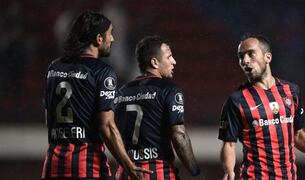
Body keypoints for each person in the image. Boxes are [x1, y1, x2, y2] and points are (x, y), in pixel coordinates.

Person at [41, 11, 151, 180]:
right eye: (110, 34)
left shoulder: (54, 68)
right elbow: (106, 126)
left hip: (53, 166)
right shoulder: (102, 72)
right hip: (87, 167)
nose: (113, 39)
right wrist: (129, 166)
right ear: (99, 39)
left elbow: (50, 118)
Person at [218, 33, 305, 180]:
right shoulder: (236, 100)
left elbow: (297, 134)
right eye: (241, 56)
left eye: (250, 54)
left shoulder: (291, 91)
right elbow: (229, 144)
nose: (245, 60)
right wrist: (229, 170)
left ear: (268, 57)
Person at [114, 36, 202, 180]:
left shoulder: (121, 93)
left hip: (125, 173)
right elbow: (179, 136)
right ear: (155, 62)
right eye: (169, 57)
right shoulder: (169, 90)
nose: (174, 61)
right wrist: (196, 172)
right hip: (158, 172)